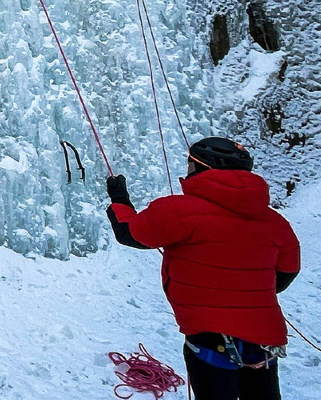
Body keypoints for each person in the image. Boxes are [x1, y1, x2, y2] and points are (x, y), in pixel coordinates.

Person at [106, 137, 300, 400]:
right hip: (263, 340)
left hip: (209, 339)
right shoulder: (277, 223)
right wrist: (247, 293)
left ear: (202, 167)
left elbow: (130, 234)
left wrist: (120, 199)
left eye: (190, 164)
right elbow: (287, 272)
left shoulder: (177, 211)